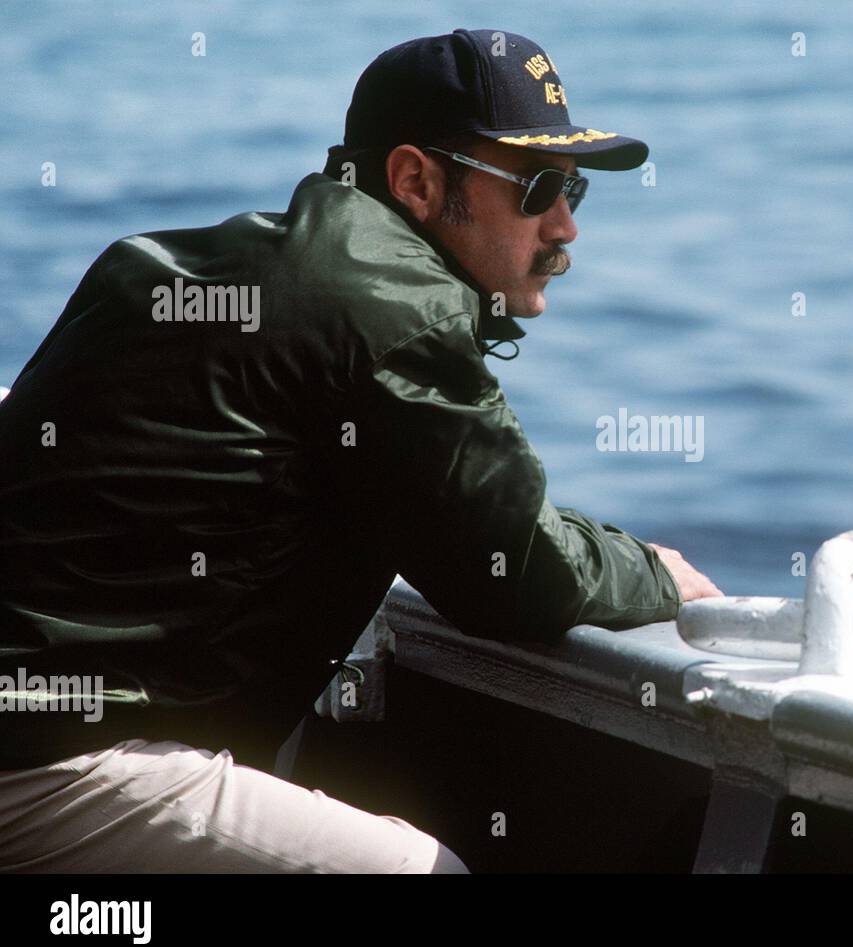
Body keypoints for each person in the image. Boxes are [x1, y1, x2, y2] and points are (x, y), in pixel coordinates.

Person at [0, 28, 721, 873]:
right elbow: (513, 571)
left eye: (576, 191)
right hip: (47, 756)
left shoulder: (179, 270)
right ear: (415, 180)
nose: (564, 225)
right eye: (540, 186)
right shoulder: (393, 309)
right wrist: (656, 573)